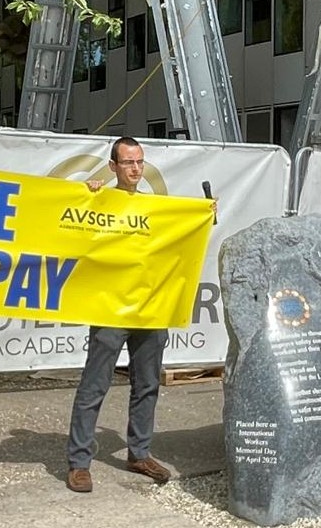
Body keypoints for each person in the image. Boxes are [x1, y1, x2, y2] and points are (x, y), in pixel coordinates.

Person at [65, 137, 195, 493]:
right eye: (128, 163)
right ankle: (79, 462)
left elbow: (182, 238)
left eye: (139, 162)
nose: (136, 169)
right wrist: (86, 196)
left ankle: (139, 452)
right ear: (113, 167)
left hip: (151, 307)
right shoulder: (101, 200)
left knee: (148, 384)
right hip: (110, 307)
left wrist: (203, 216)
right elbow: (72, 232)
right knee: (95, 384)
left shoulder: (157, 207)